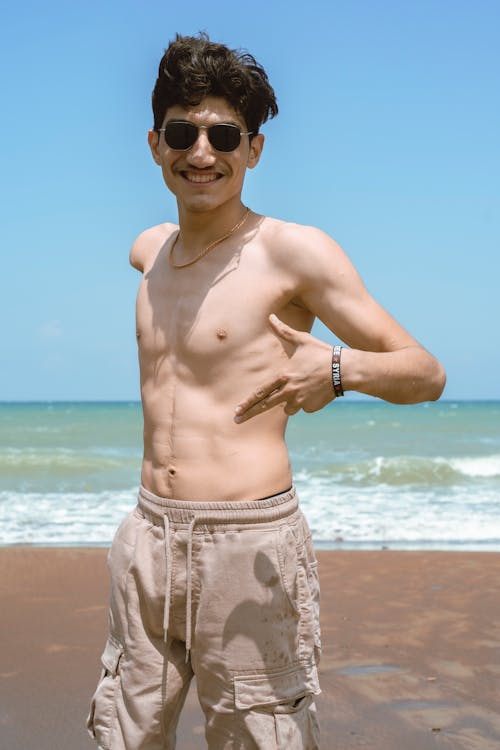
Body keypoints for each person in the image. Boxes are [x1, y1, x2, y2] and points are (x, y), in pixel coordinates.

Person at [86, 32, 446, 750]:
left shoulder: (292, 253)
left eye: (224, 135)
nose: (201, 154)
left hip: (245, 546)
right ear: (155, 143)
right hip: (148, 537)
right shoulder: (151, 250)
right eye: (183, 133)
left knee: (260, 737)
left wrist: (338, 372)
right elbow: (155, 256)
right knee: (121, 735)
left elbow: (425, 372)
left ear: (253, 149)